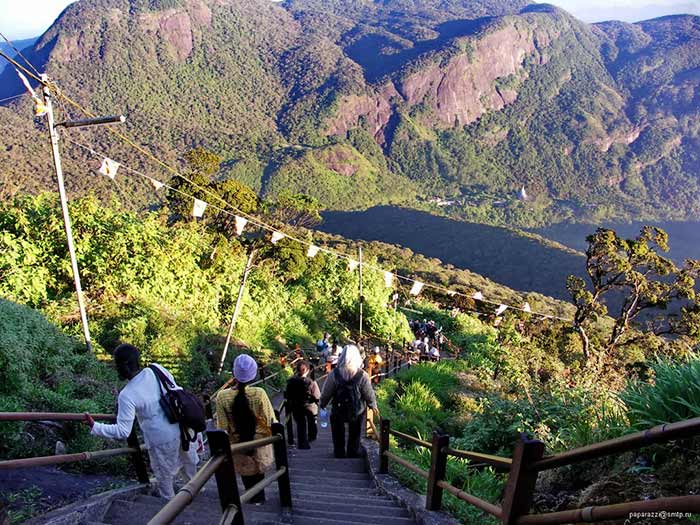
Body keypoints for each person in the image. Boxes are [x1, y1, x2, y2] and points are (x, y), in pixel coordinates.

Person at [84, 344, 198, 500]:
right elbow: (176, 390)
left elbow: (123, 431)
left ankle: (170, 507)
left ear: (123, 366)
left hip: (161, 439)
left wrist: (95, 426)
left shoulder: (127, 394)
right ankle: (197, 491)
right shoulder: (156, 369)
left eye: (116, 364)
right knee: (189, 463)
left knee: (164, 475)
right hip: (183, 427)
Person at [216, 354, 276, 504]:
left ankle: (251, 499)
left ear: (234, 373)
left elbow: (222, 428)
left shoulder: (222, 397)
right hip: (259, 444)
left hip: (238, 446)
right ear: (253, 374)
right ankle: (259, 500)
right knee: (258, 474)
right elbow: (270, 421)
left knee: (246, 475)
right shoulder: (259, 393)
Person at [320, 345, 377, 458]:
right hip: (357, 409)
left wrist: (323, 404)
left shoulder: (334, 374)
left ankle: (339, 451)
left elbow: (327, 391)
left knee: (338, 432)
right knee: (355, 432)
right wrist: (373, 405)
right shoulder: (363, 375)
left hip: (338, 408)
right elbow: (369, 393)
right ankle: (353, 451)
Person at [284, 361, 321, 449]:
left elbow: (287, 394)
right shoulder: (311, 382)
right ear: (307, 370)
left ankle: (302, 443)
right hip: (309, 406)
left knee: (301, 424)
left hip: (295, 406)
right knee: (312, 421)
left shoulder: (290, 381)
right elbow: (317, 396)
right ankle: (312, 436)